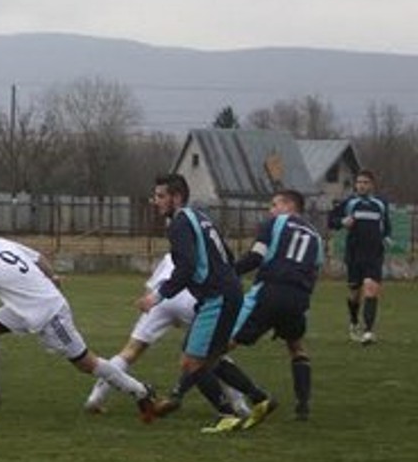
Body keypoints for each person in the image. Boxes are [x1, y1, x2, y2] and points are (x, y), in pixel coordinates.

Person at [0, 227, 161, 421]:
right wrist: (53, 277)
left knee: (87, 363)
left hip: (49, 314)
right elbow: (39, 258)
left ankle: (140, 391)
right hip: (26, 309)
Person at [142, 173, 277, 433]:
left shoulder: (180, 223)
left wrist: (156, 296)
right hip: (224, 292)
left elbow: (187, 266)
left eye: (160, 196)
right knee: (212, 357)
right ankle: (260, 399)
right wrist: (226, 281)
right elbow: (226, 255)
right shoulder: (201, 217)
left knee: (192, 362)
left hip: (218, 296)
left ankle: (225, 413)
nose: (155, 201)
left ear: (176, 197)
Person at [82, 254, 249, 418]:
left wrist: (149, 304)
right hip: (191, 300)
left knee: (130, 351)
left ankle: (95, 398)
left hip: (162, 299)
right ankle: (239, 405)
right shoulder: (208, 255)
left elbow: (150, 287)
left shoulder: (172, 255)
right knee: (214, 352)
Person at [231, 189, 323, 421]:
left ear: (289, 205)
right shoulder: (316, 236)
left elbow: (255, 257)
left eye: (274, 205)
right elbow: (315, 272)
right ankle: (303, 406)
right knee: (297, 347)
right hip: (299, 297)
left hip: (270, 291)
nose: (270, 210)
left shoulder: (276, 223)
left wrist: (227, 272)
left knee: (220, 347)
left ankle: (255, 396)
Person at [328, 169, 391, 344]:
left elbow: (386, 225)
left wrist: (386, 237)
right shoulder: (350, 203)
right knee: (355, 293)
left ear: (372, 185)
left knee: (371, 289)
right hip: (354, 254)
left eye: (365, 182)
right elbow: (331, 220)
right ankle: (354, 321)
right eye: (359, 182)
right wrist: (342, 222)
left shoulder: (380, 204)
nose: (361, 185)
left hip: (374, 254)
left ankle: (368, 332)